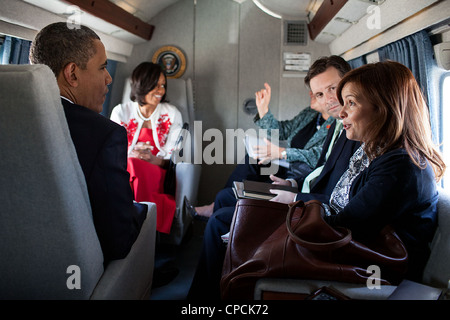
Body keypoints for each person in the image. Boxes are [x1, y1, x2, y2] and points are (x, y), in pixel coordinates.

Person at [188, 56, 360, 299]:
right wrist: (264, 113)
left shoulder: (348, 130)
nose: (327, 98)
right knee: (234, 189)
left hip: (306, 202)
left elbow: (324, 175)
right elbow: (288, 135)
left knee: (220, 218)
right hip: (299, 187)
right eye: (319, 93)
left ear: (350, 83)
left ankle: (204, 298)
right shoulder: (321, 120)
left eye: (332, 88)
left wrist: (290, 179)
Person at [29, 22, 147, 264]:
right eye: (102, 67)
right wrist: (140, 209)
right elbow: (118, 241)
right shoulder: (105, 135)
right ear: (72, 74)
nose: (109, 77)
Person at [194, 83, 334, 218]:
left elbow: (319, 156)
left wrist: (282, 153)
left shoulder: (337, 124)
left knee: (229, 195)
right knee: (253, 158)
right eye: (313, 90)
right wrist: (264, 110)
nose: (311, 94)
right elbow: (282, 131)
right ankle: (220, 206)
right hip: (287, 165)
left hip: (301, 173)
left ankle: (220, 210)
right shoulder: (310, 114)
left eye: (319, 92)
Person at [110, 62, 183, 234]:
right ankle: (142, 224)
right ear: (141, 85)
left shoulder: (172, 114)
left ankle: (134, 224)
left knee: (134, 165)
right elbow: (113, 151)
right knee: (131, 164)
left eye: (163, 85)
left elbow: (174, 156)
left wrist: (152, 159)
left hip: (157, 169)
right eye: (155, 85)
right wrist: (132, 154)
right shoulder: (120, 112)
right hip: (125, 169)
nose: (161, 91)